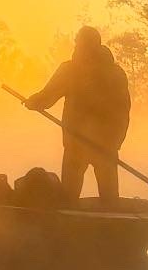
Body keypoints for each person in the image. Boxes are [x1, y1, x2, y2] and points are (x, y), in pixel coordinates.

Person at [25, 26, 131, 204]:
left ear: (91, 45)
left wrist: (115, 143)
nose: (77, 47)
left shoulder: (109, 74)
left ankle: (107, 227)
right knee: (82, 199)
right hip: (81, 145)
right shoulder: (75, 70)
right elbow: (48, 96)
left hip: (100, 147)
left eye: (79, 43)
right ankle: (91, 227)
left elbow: (122, 112)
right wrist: (34, 102)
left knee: (98, 200)